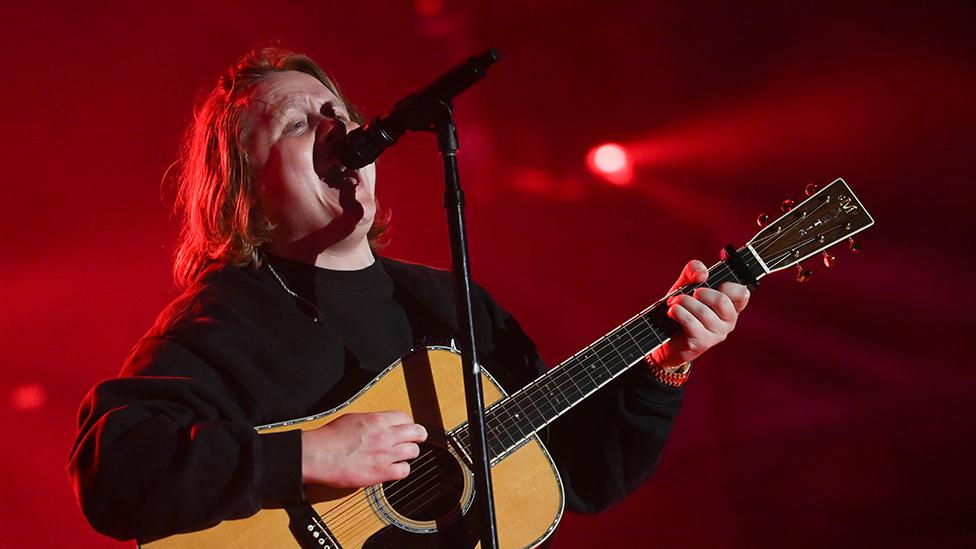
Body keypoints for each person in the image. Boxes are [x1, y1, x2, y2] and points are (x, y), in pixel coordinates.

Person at [67, 47, 750, 544]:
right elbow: (113, 472)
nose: (338, 130)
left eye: (339, 113)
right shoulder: (216, 326)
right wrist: (307, 456)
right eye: (299, 124)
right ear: (243, 191)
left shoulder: (448, 303)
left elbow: (585, 471)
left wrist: (664, 363)